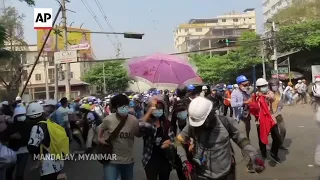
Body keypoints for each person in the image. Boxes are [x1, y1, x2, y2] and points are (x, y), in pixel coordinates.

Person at [176, 97, 265, 180]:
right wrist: (184, 160)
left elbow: (240, 139)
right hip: (202, 175)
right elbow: (178, 141)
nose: (200, 125)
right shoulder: (192, 126)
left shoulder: (225, 122)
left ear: (210, 114)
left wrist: (253, 154)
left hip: (227, 174)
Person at [98, 94, 140, 180]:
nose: (123, 108)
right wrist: (99, 138)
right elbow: (101, 128)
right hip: (111, 160)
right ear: (115, 108)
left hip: (128, 160)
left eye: (125, 106)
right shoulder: (108, 120)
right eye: (120, 106)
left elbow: (137, 134)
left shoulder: (133, 120)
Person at [139, 95, 176, 180]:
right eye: (156, 109)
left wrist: (170, 143)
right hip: (150, 160)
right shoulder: (148, 124)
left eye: (160, 109)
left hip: (165, 161)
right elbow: (139, 125)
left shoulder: (167, 123)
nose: (158, 111)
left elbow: (176, 142)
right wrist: (150, 110)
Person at [27, 102, 64, 180]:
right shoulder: (50, 123)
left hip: (47, 165)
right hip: (58, 160)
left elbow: (32, 147)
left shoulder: (37, 127)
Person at [254, 78, 281, 163]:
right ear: (258, 87)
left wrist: (267, 96)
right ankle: (263, 154)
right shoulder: (255, 96)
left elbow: (273, 99)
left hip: (271, 118)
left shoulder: (269, 93)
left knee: (277, 137)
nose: (264, 87)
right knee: (262, 138)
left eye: (265, 86)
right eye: (262, 86)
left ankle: (273, 153)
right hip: (260, 120)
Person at [268, 78, 288, 150]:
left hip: (278, 114)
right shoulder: (268, 93)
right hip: (270, 115)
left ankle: (280, 144)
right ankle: (271, 148)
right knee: (273, 133)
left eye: (276, 85)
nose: (275, 86)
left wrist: (279, 109)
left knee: (283, 130)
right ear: (270, 86)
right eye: (273, 85)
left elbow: (280, 103)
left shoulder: (279, 92)